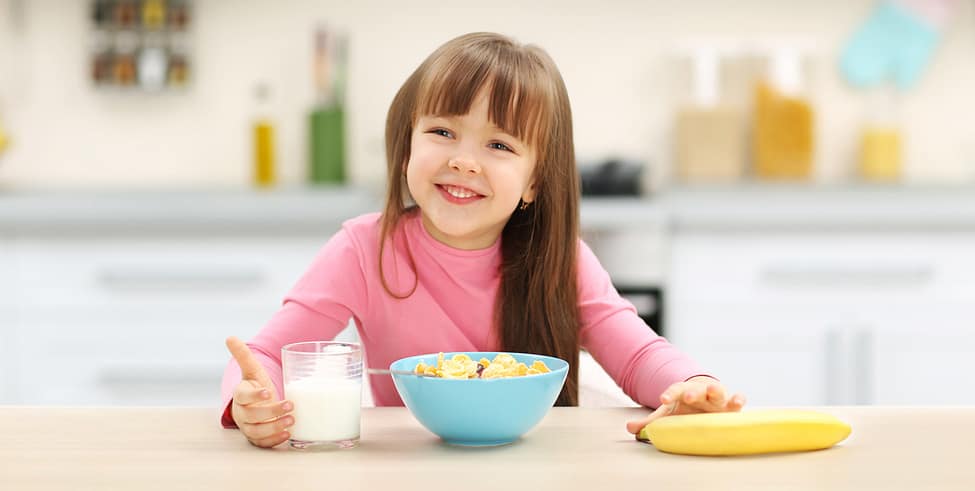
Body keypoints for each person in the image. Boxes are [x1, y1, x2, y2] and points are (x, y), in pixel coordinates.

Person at [221, 31, 746, 448]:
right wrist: (252, 403)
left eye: (498, 144)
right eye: (442, 132)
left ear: (534, 181)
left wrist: (692, 386)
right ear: (407, 144)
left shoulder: (557, 260)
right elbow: (265, 355)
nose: (464, 160)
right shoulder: (364, 249)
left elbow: (635, 354)